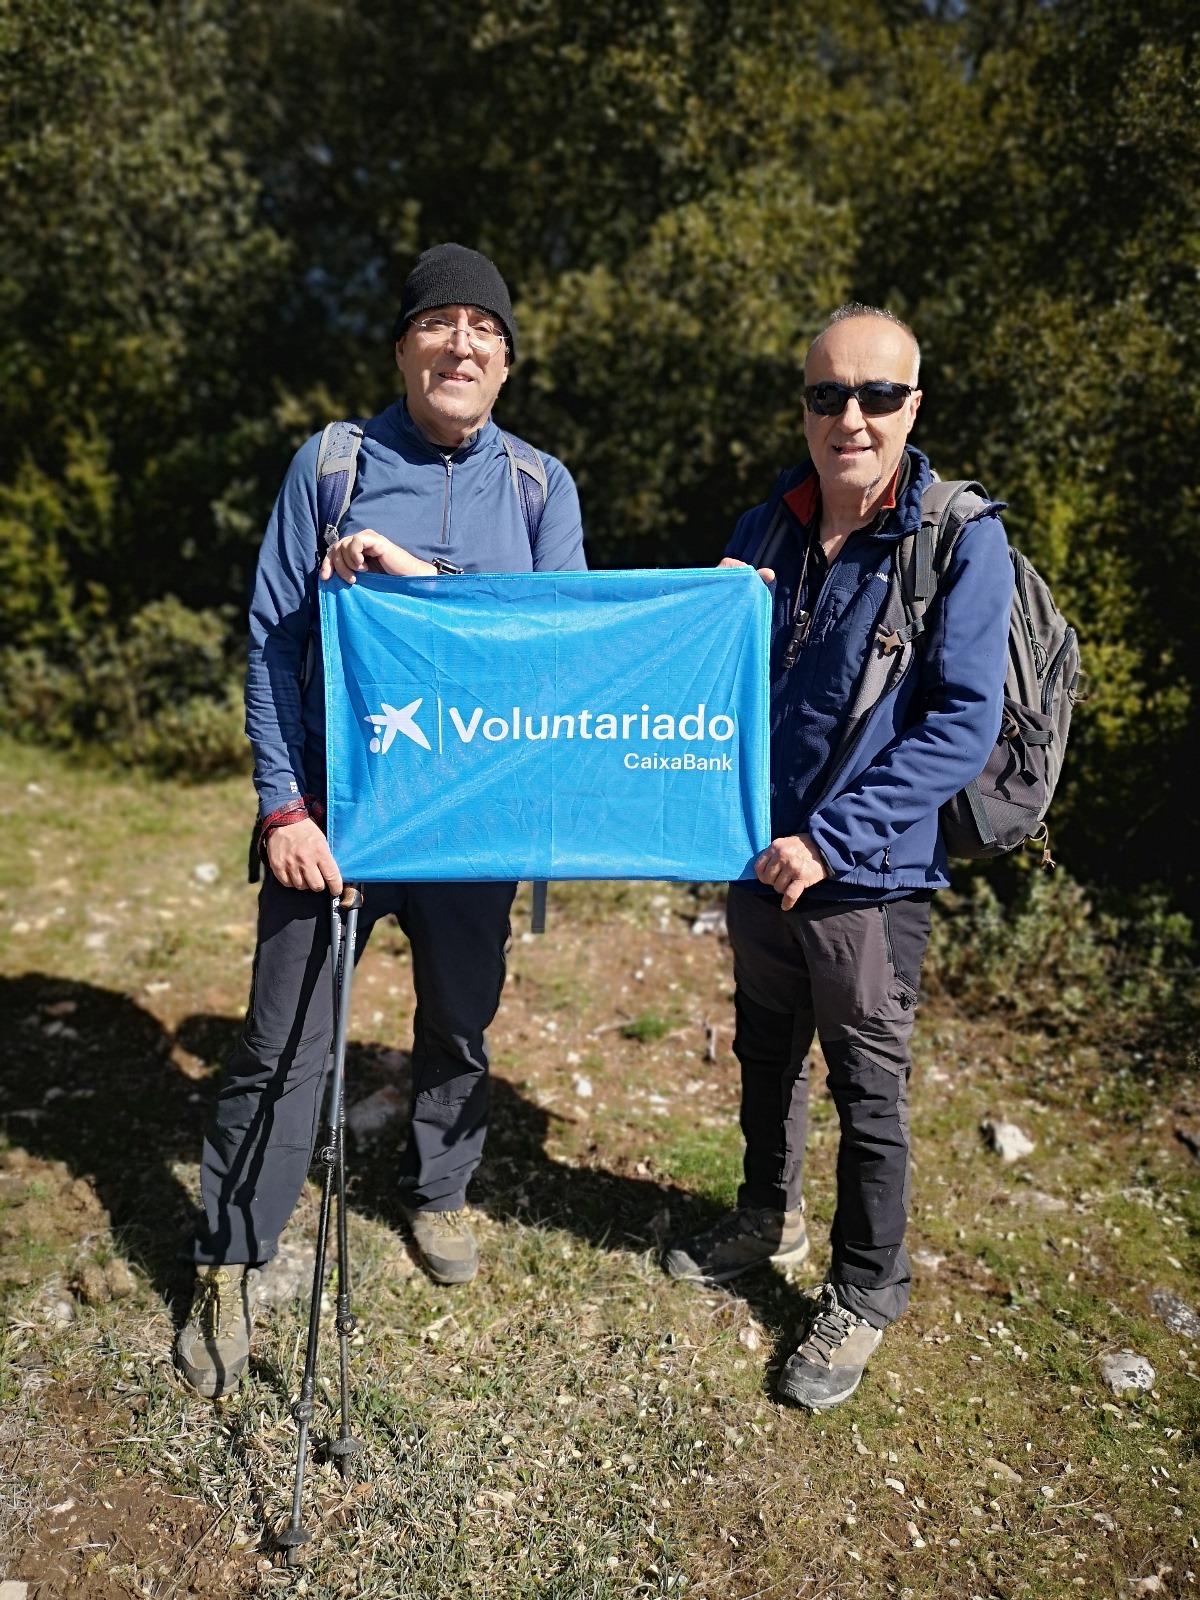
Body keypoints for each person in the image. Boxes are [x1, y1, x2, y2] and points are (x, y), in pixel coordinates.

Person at [175, 243, 586, 1399]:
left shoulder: (541, 489)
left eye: (485, 330)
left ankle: (442, 1189)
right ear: (404, 345)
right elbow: (272, 641)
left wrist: (417, 577)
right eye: (440, 324)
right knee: (279, 1044)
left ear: (506, 361)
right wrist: (283, 808)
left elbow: (558, 656)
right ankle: (230, 1255)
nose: (463, 345)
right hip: (337, 827)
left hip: (474, 826)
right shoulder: (333, 464)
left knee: (458, 1027)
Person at [663, 303, 1013, 1410]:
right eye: (827, 395)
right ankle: (764, 1216)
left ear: (915, 405)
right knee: (766, 1055)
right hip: (757, 859)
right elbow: (708, 686)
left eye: (875, 396)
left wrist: (832, 840)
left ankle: (865, 1289)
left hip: (866, 875)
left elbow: (961, 722)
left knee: (870, 1089)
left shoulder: (960, 535)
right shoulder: (765, 525)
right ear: (804, 404)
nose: (849, 417)